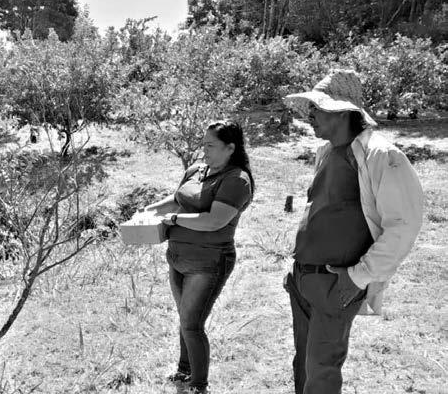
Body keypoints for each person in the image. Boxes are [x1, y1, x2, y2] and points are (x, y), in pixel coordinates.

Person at [282, 69, 423, 394]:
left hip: (335, 283)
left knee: (321, 373)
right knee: (303, 366)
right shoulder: (327, 152)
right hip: (304, 279)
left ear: (343, 112)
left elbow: (403, 225)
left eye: (317, 108)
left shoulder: (381, 155)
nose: (310, 115)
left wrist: (359, 277)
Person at [145, 120, 255, 394]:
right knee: (185, 318)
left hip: (208, 262)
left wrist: (174, 219)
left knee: (192, 324)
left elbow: (214, 220)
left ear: (230, 148)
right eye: (203, 144)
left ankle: (199, 385)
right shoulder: (196, 170)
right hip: (178, 257)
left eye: (210, 145)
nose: (204, 150)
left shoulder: (237, 180)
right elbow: (177, 199)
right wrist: (149, 210)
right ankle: (184, 371)